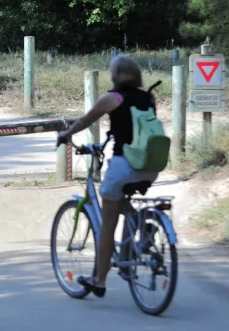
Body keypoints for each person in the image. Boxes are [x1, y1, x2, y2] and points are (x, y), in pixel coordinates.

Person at [56, 54, 159, 298]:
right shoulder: (149, 97)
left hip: (125, 163)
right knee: (119, 196)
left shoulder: (112, 98)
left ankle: (99, 280)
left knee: (107, 223)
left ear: (114, 75)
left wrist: (66, 135)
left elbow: (85, 120)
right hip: (151, 165)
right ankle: (141, 225)